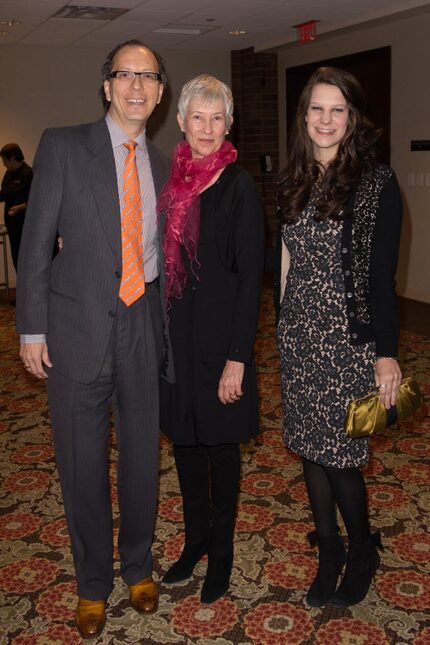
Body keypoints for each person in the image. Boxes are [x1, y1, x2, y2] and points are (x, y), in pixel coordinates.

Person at [16, 39, 173, 639]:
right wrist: (31, 325)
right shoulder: (61, 146)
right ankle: (90, 584)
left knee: (140, 457)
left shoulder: (163, 164)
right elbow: (35, 244)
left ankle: (137, 565)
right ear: (106, 85)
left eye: (149, 77)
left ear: (160, 92)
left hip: (141, 323)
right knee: (81, 464)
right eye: (125, 75)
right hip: (74, 328)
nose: (137, 86)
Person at [276, 67, 402, 608]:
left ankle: (361, 549)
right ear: (303, 117)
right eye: (316, 109)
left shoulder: (376, 183)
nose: (325, 120)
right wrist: (281, 319)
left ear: (352, 119)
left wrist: (386, 354)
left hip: (347, 340)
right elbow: (287, 256)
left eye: (337, 110)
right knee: (309, 448)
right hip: (299, 337)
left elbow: (381, 278)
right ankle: (328, 549)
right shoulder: (293, 178)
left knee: (342, 457)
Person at [158, 75, 265, 604]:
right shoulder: (172, 184)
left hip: (222, 347)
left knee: (220, 450)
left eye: (216, 118)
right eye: (196, 117)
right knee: (185, 444)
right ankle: (196, 540)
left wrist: (236, 360)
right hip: (177, 343)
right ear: (180, 122)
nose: (206, 128)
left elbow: (251, 281)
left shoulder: (239, 187)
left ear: (228, 125)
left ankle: (220, 553)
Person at [0, 143, 33, 271]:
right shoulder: (8, 174)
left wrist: (20, 207)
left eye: (5, 160)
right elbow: (4, 194)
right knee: (17, 260)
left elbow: (35, 200)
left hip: (25, 226)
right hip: (12, 226)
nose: (4, 164)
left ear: (13, 158)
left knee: (27, 260)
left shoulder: (28, 173)